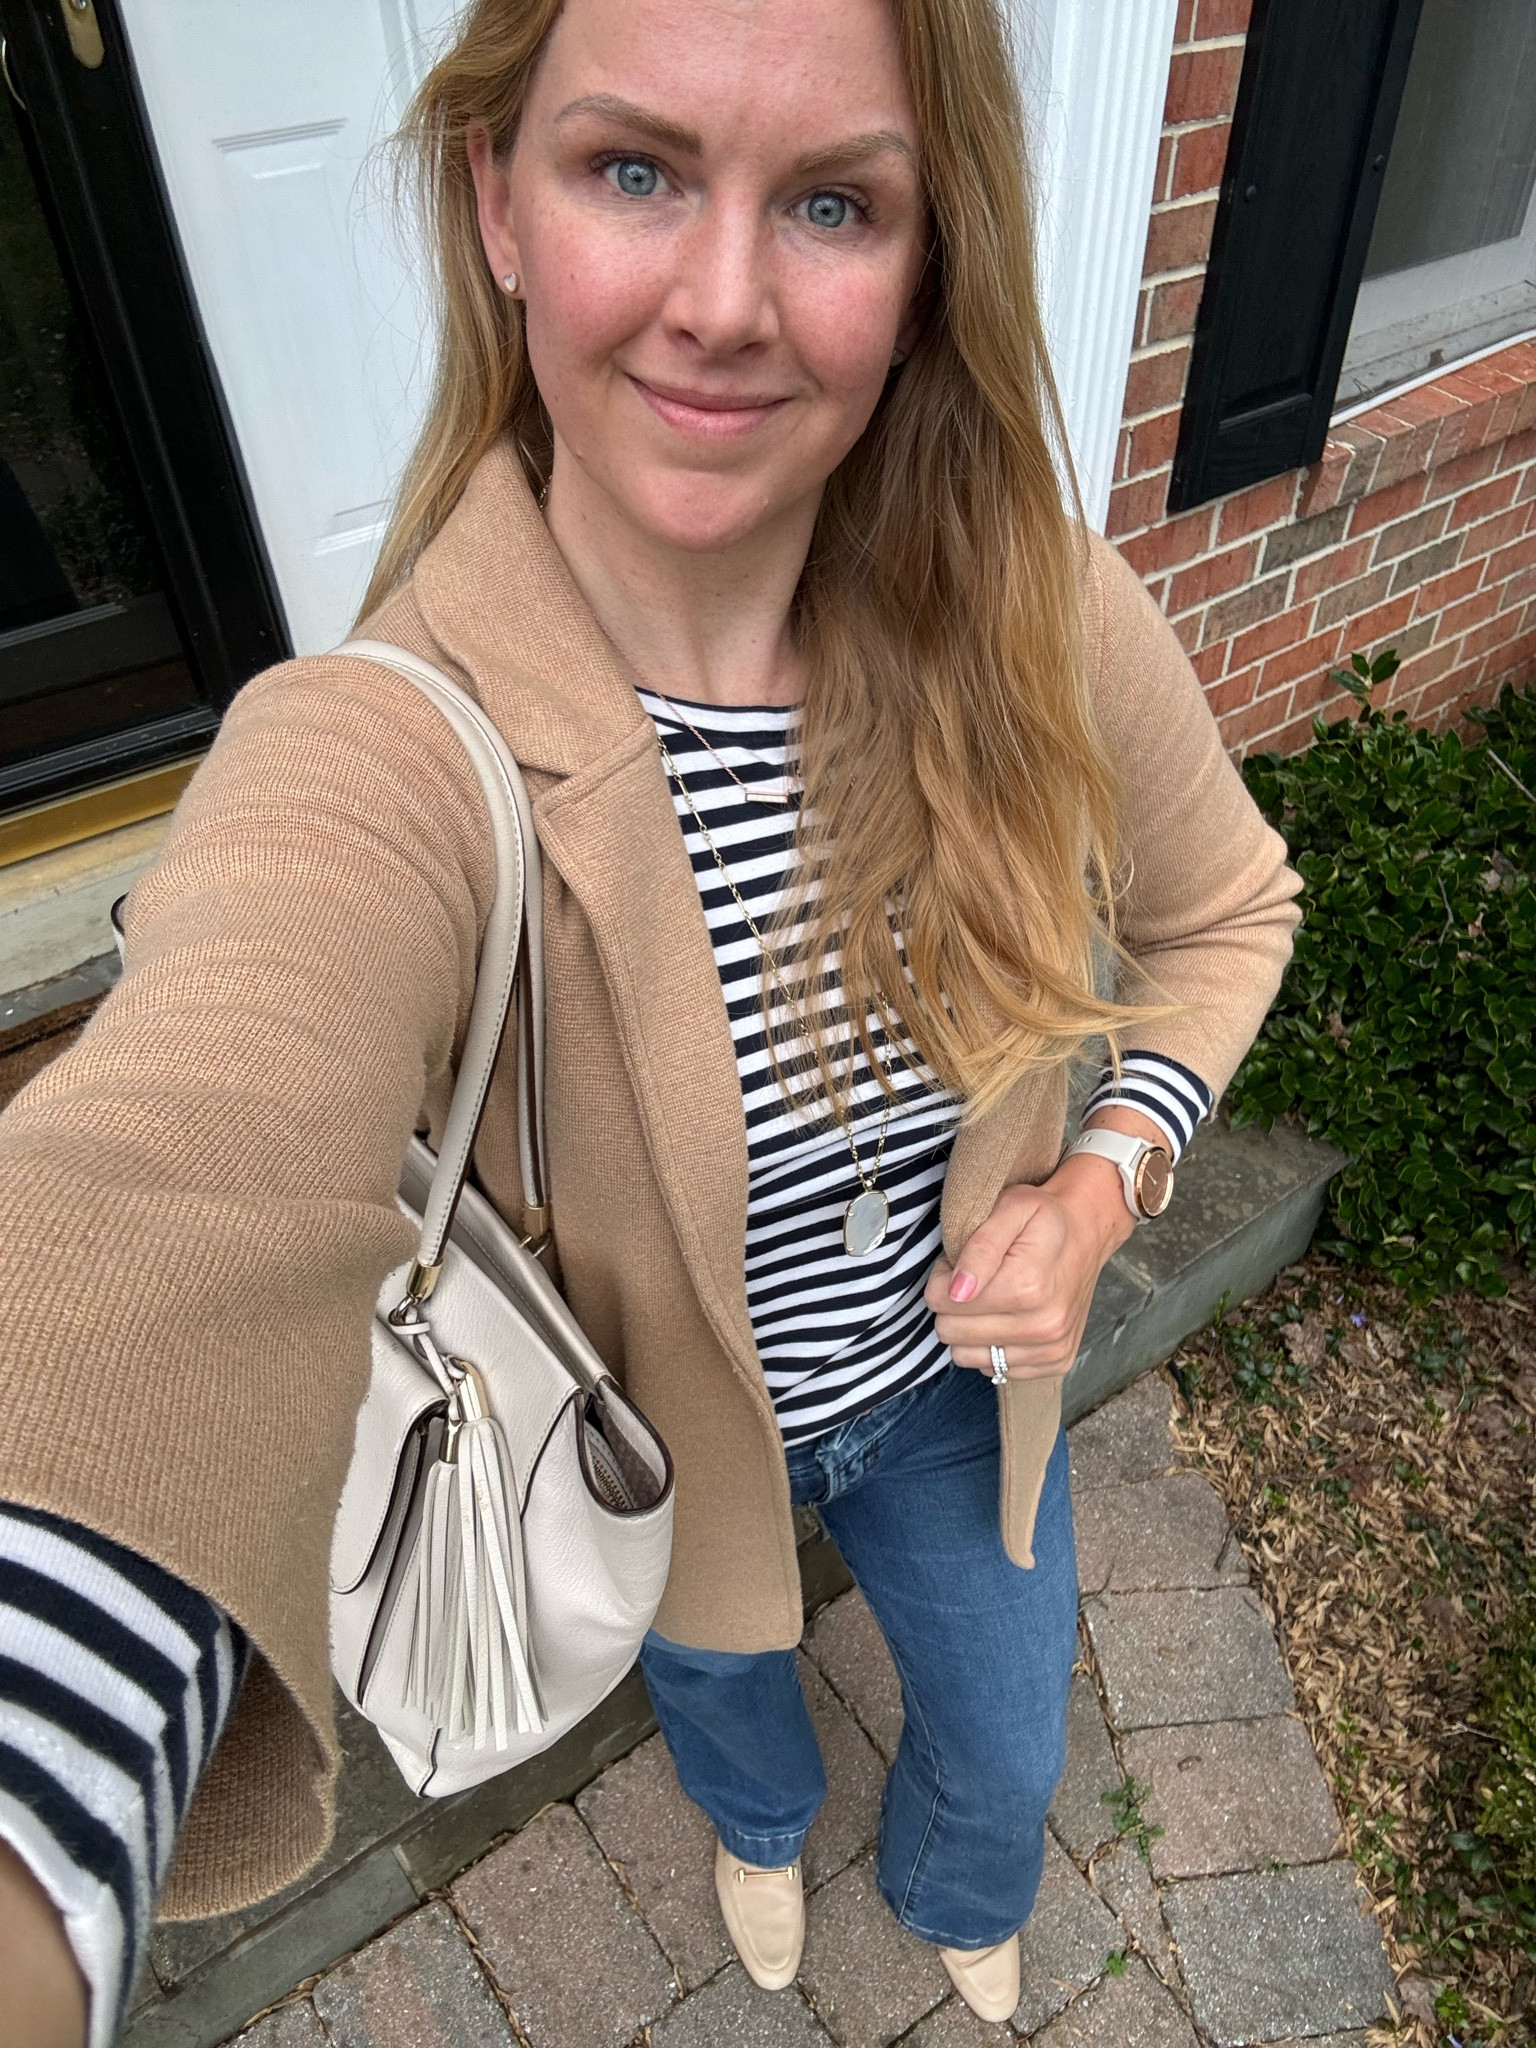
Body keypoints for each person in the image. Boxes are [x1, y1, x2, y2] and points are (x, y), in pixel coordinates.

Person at [0, 0, 1302, 2037]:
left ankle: (961, 1879)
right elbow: (187, 1158)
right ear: (494, 204)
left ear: (927, 257)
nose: (723, 302)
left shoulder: (1032, 602)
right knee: (719, 1686)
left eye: (833, 203)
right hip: (650, 1467)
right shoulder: (392, 749)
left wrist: (1105, 1183)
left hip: (957, 1402)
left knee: (1012, 1715)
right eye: (633, 170)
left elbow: (1232, 912)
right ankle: (760, 1836)